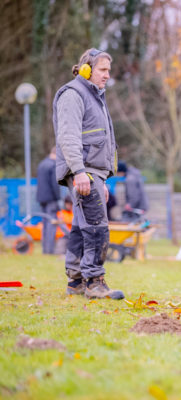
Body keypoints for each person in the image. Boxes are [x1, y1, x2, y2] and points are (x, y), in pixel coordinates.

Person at [53, 47, 124, 299]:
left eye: (109, 71)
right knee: (97, 225)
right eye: (103, 70)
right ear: (86, 69)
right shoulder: (74, 94)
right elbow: (68, 137)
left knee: (81, 224)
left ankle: (75, 282)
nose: (107, 75)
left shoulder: (96, 96)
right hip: (83, 171)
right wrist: (80, 172)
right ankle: (94, 282)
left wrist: (101, 178)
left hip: (93, 173)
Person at [36, 147, 61, 254]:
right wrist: (58, 198)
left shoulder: (42, 164)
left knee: (45, 224)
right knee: (52, 224)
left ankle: (44, 249)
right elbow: (55, 185)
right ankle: (50, 250)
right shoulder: (53, 165)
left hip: (41, 198)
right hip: (51, 199)